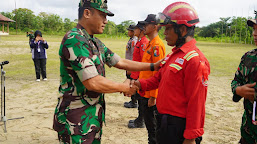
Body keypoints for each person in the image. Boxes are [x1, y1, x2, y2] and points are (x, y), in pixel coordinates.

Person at [52, 0, 161, 143]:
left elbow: (120, 62)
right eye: (102, 15)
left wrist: (153, 66)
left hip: (91, 117)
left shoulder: (94, 42)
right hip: (75, 119)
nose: (106, 21)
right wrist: (125, 87)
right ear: (87, 13)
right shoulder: (74, 39)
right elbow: (93, 82)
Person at [129, 2, 210, 144]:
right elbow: (158, 79)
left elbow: (196, 103)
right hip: (164, 122)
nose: (164, 33)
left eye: (168, 29)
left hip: (178, 127)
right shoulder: (173, 55)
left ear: (183, 30)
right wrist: (138, 84)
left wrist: (190, 137)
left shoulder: (195, 60)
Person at [137, 14, 166, 144]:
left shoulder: (157, 46)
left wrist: (153, 96)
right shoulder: (150, 43)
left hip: (150, 94)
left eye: (146, 24)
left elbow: (158, 72)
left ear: (155, 27)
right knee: (150, 126)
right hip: (145, 91)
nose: (144, 27)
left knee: (153, 128)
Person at [231, 10, 257, 144]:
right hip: (248, 132)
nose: (255, 33)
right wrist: (238, 90)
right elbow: (236, 81)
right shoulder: (248, 57)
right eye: (254, 29)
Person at [127, 22, 149, 128]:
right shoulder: (140, 41)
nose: (134, 30)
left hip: (140, 75)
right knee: (139, 98)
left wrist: (140, 77)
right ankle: (140, 119)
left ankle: (141, 121)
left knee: (141, 99)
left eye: (136, 29)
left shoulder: (144, 42)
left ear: (141, 30)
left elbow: (143, 62)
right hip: (136, 74)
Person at [123, 24, 138, 108]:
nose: (128, 32)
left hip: (131, 66)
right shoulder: (131, 40)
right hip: (128, 65)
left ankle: (134, 102)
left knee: (132, 82)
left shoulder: (134, 41)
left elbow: (133, 55)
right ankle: (132, 100)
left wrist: (131, 67)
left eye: (129, 30)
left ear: (132, 32)